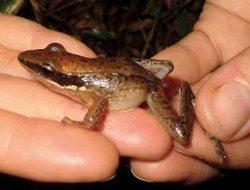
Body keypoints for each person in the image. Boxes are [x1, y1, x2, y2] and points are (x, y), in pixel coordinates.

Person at [0, 0, 249, 184]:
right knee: (165, 68)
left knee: (182, 135)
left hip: (146, 88)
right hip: (126, 71)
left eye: (47, 69)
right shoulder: (79, 82)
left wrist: (85, 124)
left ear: (63, 75)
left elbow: (98, 103)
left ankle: (186, 92)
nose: (42, 71)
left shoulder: (85, 89)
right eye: (48, 68)